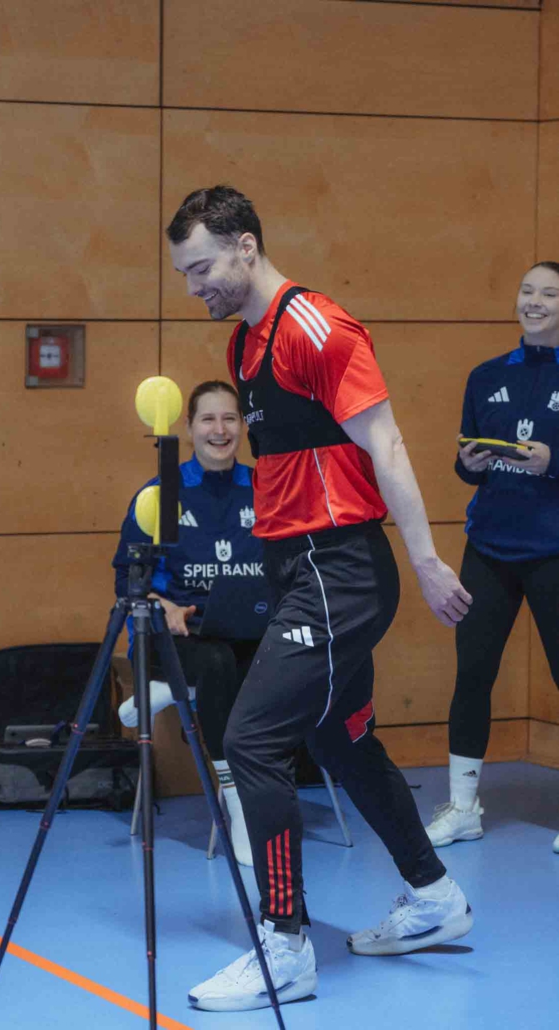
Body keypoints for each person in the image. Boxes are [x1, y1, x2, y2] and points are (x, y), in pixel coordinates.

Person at [166, 185, 474, 1013]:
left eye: (202, 268)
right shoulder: (244, 346)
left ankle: (286, 944)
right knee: (340, 738)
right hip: (297, 570)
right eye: (185, 273)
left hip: (340, 570)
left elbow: (387, 442)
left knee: (253, 739)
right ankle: (434, 894)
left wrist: (426, 560)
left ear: (246, 245)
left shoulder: (319, 327)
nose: (194, 287)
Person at [425, 261, 559, 855]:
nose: (535, 301)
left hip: (553, 551)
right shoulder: (485, 376)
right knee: (472, 675)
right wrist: (469, 464)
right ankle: (463, 809)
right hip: (488, 549)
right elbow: (468, 463)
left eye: (549, 293)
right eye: (528, 291)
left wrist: (552, 462)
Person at [113, 379, 266, 866]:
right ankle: (238, 804)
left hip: (247, 632)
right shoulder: (162, 493)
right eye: (208, 419)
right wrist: (163, 606)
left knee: (287, 659)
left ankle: (178, 691)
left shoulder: (265, 488)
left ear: (242, 426)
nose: (220, 430)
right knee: (218, 664)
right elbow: (128, 581)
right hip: (174, 636)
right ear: (189, 427)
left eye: (229, 419)